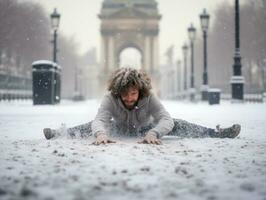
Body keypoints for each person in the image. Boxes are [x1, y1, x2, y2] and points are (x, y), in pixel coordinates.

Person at [43, 67, 241, 145]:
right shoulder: (109, 97)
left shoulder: (149, 96)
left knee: (178, 124)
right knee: (92, 126)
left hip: (145, 129)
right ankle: (60, 133)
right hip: (118, 128)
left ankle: (216, 133)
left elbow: (166, 119)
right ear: (117, 91)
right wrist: (101, 134)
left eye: (133, 93)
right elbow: (100, 119)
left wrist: (154, 133)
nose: (129, 98)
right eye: (125, 94)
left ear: (140, 91)